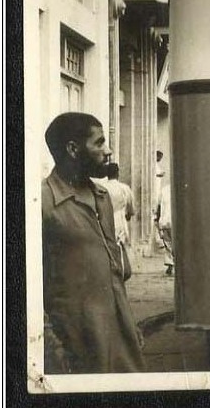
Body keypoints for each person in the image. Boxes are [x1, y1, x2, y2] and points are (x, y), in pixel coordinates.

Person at [41, 112, 145, 373]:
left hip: (120, 344)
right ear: (73, 149)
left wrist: (129, 324)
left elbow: (115, 275)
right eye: (99, 143)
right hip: (76, 351)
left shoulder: (103, 197)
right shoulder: (41, 203)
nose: (108, 151)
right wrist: (50, 349)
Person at [102, 162, 134, 247]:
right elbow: (130, 211)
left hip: (104, 222)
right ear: (117, 173)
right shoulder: (124, 188)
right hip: (119, 222)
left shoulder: (101, 188)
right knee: (120, 249)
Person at [155, 181, 174, 275]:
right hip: (175, 221)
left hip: (165, 221)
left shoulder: (164, 190)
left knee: (168, 244)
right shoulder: (180, 188)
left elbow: (158, 206)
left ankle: (170, 264)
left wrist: (157, 219)